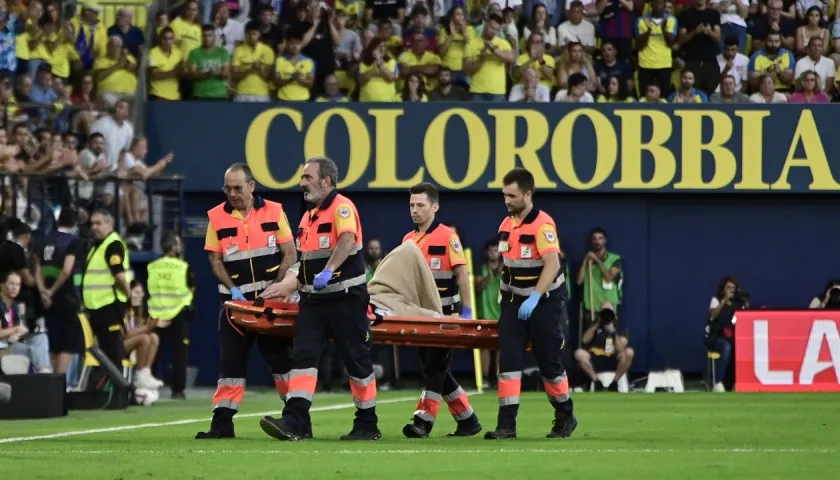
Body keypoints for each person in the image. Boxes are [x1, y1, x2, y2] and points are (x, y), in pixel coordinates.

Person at [259, 157, 381, 441]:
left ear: (326, 181)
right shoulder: (308, 217)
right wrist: (290, 286)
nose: (302, 183)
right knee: (303, 359)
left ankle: (367, 423)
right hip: (313, 302)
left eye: (307, 177)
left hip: (345, 299)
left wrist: (328, 271)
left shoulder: (342, 207)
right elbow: (303, 262)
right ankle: (296, 420)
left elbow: (347, 239)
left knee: (357, 362)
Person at [196, 163, 298, 439]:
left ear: (251, 186)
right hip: (235, 307)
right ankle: (222, 423)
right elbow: (214, 259)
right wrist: (233, 289)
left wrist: (278, 287)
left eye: (238, 188)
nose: (232, 193)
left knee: (281, 360)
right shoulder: (216, 217)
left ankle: (296, 417)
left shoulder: (274, 211)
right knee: (231, 364)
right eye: (227, 188)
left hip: (270, 305)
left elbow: (290, 253)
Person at [485, 168, 577, 440]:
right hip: (514, 303)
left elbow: (552, 264)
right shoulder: (506, 226)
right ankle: (506, 426)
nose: (507, 200)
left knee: (549, 364)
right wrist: (505, 296)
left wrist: (536, 296)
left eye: (512, 196)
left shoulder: (542, 225)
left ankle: (565, 415)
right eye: (504, 195)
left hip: (544, 303)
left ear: (528, 194)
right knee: (509, 364)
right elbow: (507, 265)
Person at [401, 182, 482, 438]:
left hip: (446, 316)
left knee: (435, 368)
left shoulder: (448, 236)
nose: (415, 210)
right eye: (412, 205)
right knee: (435, 368)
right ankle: (467, 419)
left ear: (434, 207)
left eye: (420, 205)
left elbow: (462, 274)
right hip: (421, 316)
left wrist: (467, 311)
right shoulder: (408, 240)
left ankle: (423, 421)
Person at [81, 210, 133, 375]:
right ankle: (107, 391)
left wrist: (128, 295)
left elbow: (119, 276)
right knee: (104, 351)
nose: (94, 227)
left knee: (111, 351)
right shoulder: (98, 246)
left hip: (108, 306)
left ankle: (117, 394)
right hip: (97, 307)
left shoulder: (113, 244)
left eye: (98, 223)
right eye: (92, 224)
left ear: (109, 224)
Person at [34, 207, 84, 375]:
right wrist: (52, 290)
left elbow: (38, 269)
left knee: (54, 341)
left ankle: (53, 384)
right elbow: (66, 270)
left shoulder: (44, 240)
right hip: (66, 298)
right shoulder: (73, 242)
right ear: (74, 223)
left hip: (47, 302)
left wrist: (43, 292)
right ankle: (59, 381)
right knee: (69, 342)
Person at [146, 232, 194, 399]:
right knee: (179, 353)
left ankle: (146, 387)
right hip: (178, 312)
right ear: (174, 247)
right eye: (178, 244)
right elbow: (191, 287)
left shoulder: (152, 266)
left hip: (156, 312)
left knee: (151, 350)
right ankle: (178, 390)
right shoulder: (183, 267)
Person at [123, 281, 164, 390]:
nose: (139, 297)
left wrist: (151, 326)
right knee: (144, 338)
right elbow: (125, 334)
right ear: (128, 292)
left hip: (129, 343)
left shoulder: (138, 312)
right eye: (136, 293)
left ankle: (146, 372)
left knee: (154, 337)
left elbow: (140, 329)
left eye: (141, 294)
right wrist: (147, 327)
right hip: (117, 345)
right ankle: (139, 375)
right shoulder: (122, 309)